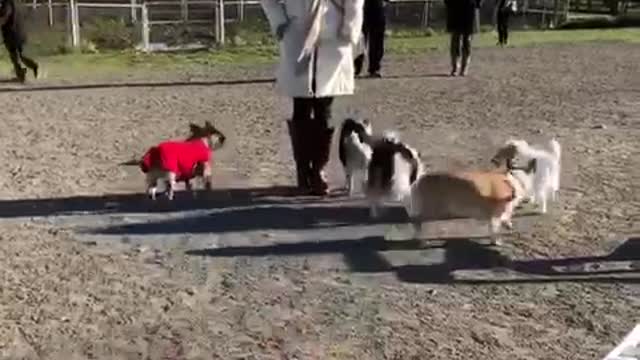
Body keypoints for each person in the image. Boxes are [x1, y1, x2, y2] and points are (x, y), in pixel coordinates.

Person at [261, 0, 364, 196]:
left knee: (324, 107)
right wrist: (279, 21)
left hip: (332, 35)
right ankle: (302, 170)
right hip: (297, 33)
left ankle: (318, 170)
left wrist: (350, 26)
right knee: (301, 105)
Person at [0, 0, 38, 83]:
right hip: (19, 31)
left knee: (14, 55)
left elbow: (5, 16)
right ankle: (27, 69)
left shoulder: (8, 3)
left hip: (12, 33)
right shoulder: (17, 2)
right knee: (19, 55)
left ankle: (22, 74)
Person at [444, 0, 482, 76]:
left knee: (467, 40)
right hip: (455, 9)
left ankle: (464, 67)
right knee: (455, 39)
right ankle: (455, 66)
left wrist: (477, 3)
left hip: (469, 9)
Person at [353, 0, 387, 78]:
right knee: (358, 38)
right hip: (361, 7)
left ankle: (374, 68)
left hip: (376, 7)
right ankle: (356, 67)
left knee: (376, 39)